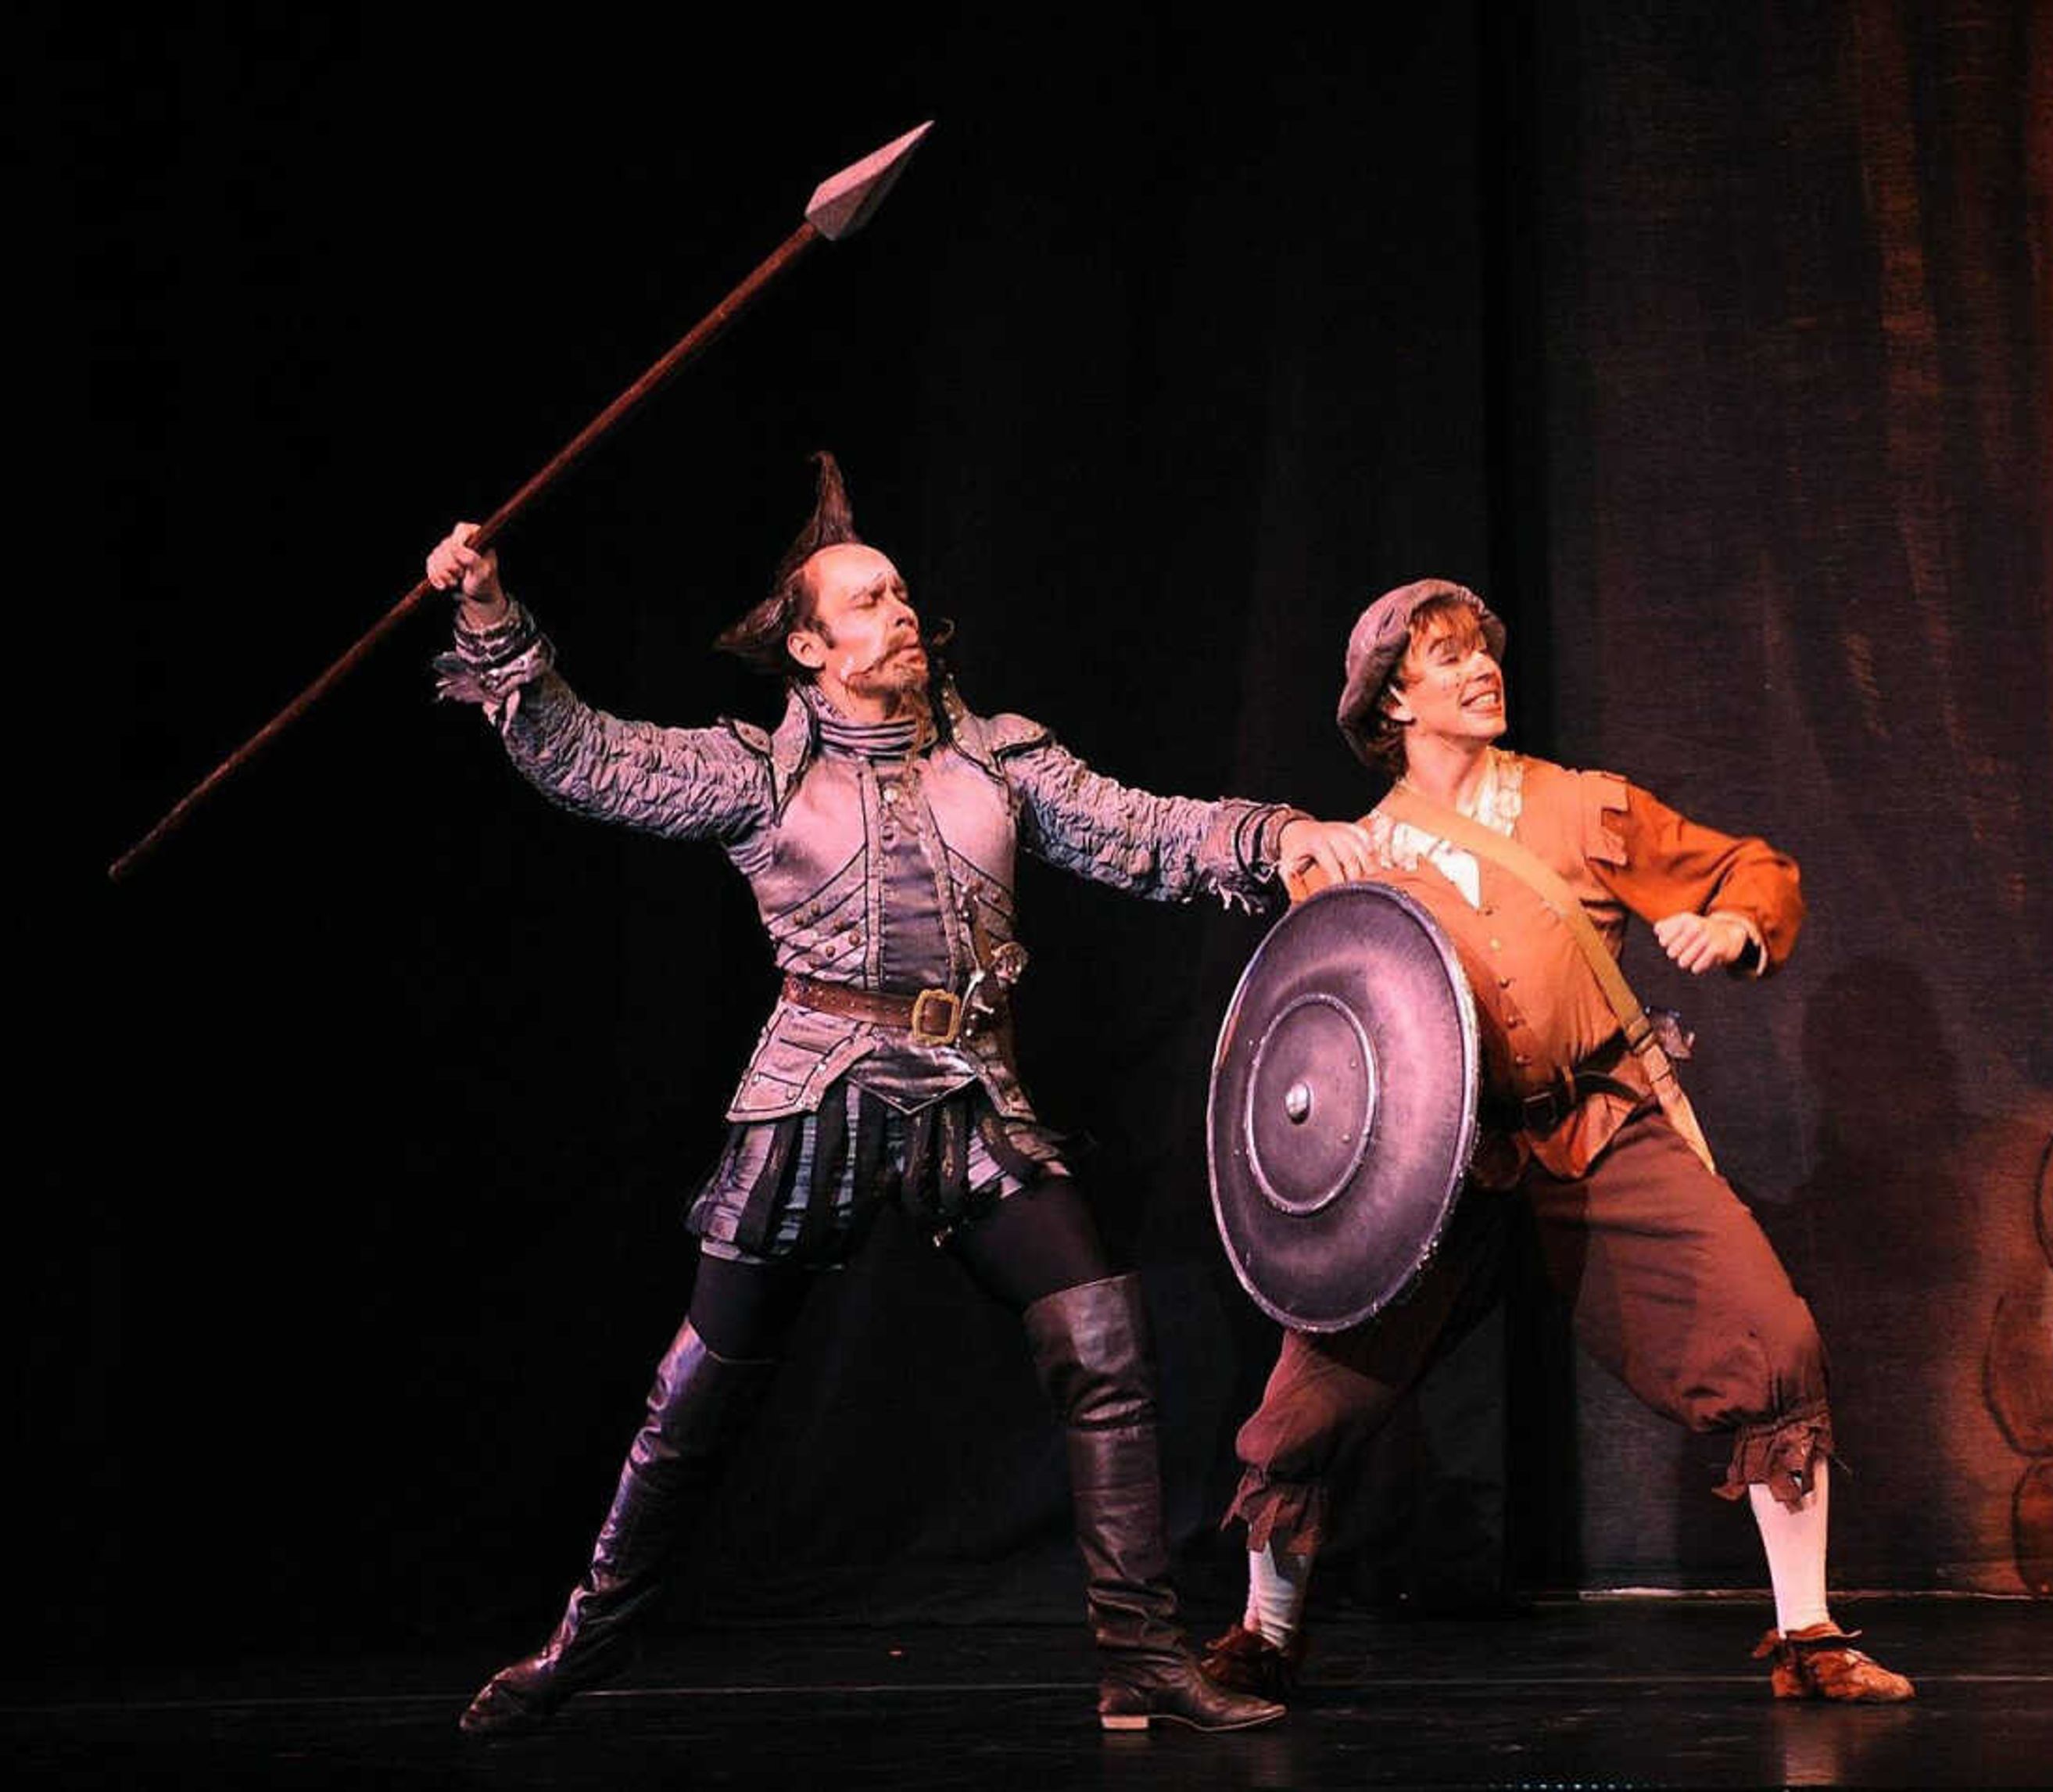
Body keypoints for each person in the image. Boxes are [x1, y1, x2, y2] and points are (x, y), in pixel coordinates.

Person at [425, 453, 1373, 1736]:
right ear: (810, 647)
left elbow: (1137, 829)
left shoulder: (1000, 763)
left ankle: (1139, 1655)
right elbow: (581, 756)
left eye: (903, 593)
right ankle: (586, 1643)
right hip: (813, 1097)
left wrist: (1271, 839)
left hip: (968, 1096)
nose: (901, 612)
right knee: (699, 1395)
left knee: (1102, 1336)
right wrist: (489, 612)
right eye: (867, 601)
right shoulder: (755, 774)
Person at [1202, 578, 1914, 1704]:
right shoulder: (1348, 860)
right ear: (1393, 701)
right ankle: (1265, 1634)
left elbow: (1750, 868)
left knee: (1768, 1336)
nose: (1481, 669)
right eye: (1444, 658)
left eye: (1481, 651)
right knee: (1303, 1407)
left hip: (1593, 1132)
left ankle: (1811, 1637)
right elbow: (1308, 1048)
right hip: (1428, 1173)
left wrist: (1733, 925)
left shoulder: (1582, 810)